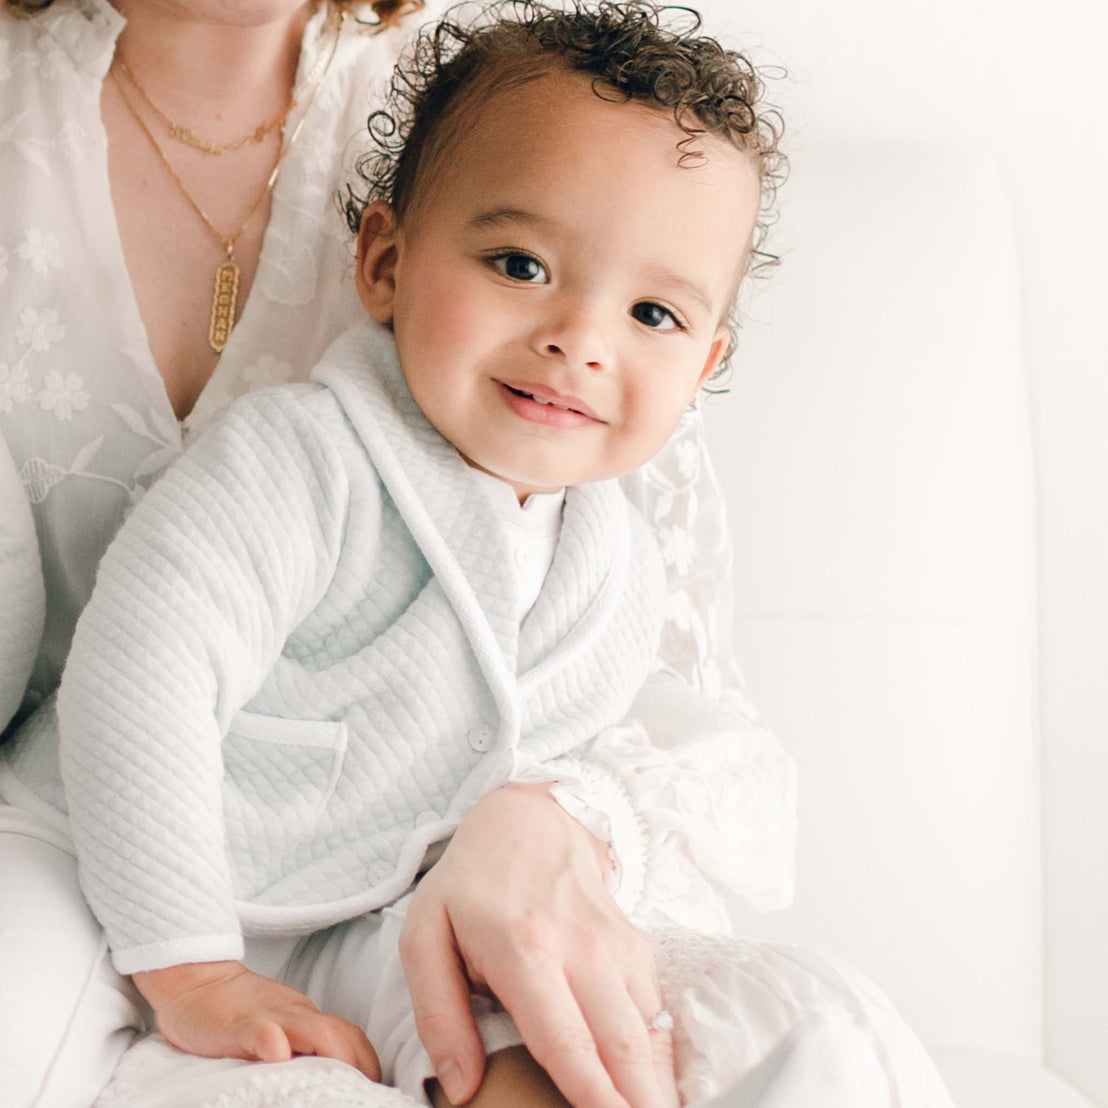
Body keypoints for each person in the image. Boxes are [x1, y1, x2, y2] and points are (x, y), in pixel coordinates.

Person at [0, 1, 952, 1107]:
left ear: (704, 367)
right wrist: (192, 962)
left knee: (521, 1040)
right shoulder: (305, 457)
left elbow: (578, 752)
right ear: (385, 262)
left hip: (369, 896)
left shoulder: (606, 555)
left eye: (651, 314)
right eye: (518, 263)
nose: (579, 340)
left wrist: (542, 831)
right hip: (92, 851)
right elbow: (141, 673)